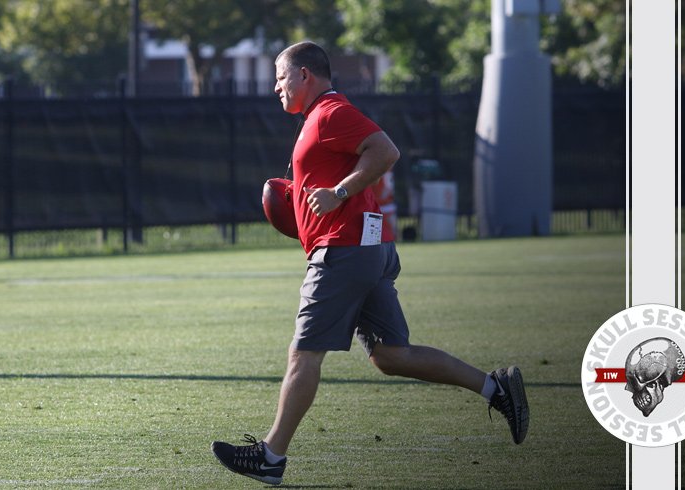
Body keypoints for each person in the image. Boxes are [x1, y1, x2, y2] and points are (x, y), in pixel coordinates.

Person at [211, 41, 529, 486]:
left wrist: (337, 194)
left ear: (305, 75)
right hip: (365, 246)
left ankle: (270, 456)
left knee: (303, 353)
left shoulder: (329, 112)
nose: (276, 88)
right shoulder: (315, 119)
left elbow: (385, 151)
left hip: (343, 249)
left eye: (281, 78)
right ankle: (496, 389)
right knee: (390, 355)